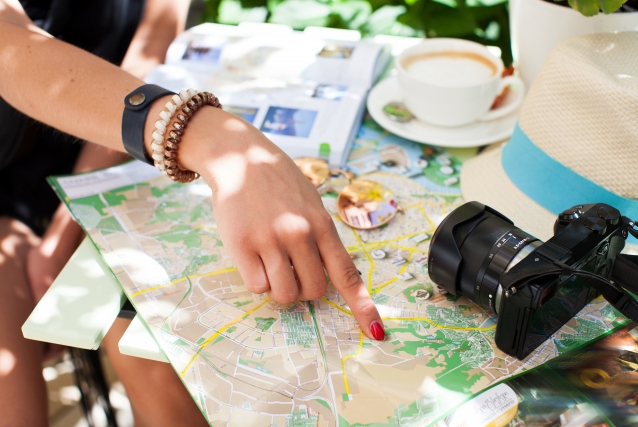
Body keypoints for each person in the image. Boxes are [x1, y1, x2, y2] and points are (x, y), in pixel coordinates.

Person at [0, 1, 384, 426]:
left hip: (116, 145)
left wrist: (68, 225)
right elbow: (8, 43)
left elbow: (156, 29)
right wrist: (216, 142)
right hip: (17, 191)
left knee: (146, 343)